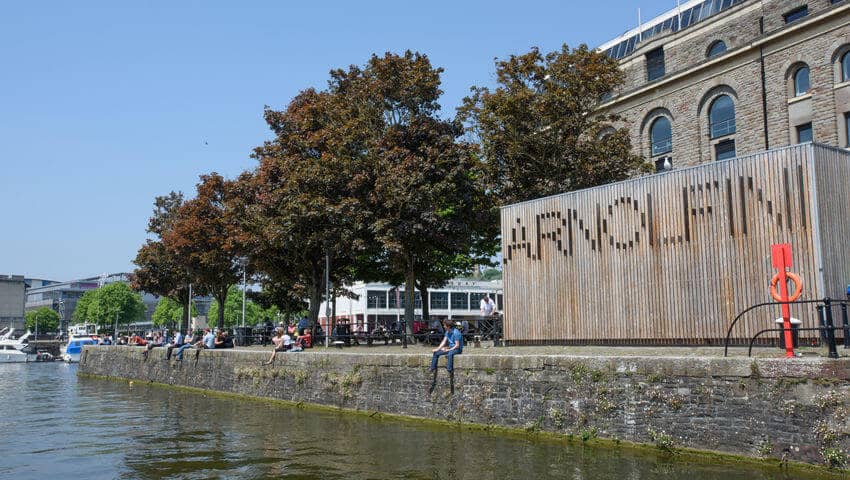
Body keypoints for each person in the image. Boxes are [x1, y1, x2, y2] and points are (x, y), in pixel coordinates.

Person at [428, 320, 463, 394]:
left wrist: (448, 349)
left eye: (444, 325)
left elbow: (457, 345)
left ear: (448, 326)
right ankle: (432, 368)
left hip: (457, 349)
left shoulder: (456, 332)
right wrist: (438, 349)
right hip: (450, 348)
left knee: (450, 354)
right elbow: (444, 342)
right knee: (436, 353)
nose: (443, 326)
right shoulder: (447, 332)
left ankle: (449, 369)